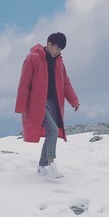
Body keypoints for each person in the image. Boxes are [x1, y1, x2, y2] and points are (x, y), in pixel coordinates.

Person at [15, 32, 79, 179]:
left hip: (53, 102)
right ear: (48, 44)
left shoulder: (59, 62)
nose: (58, 52)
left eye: (60, 50)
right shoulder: (33, 59)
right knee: (53, 130)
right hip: (37, 103)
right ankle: (51, 164)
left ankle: (42, 166)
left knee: (52, 132)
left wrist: (73, 99)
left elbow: (65, 82)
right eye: (56, 48)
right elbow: (24, 84)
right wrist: (22, 107)